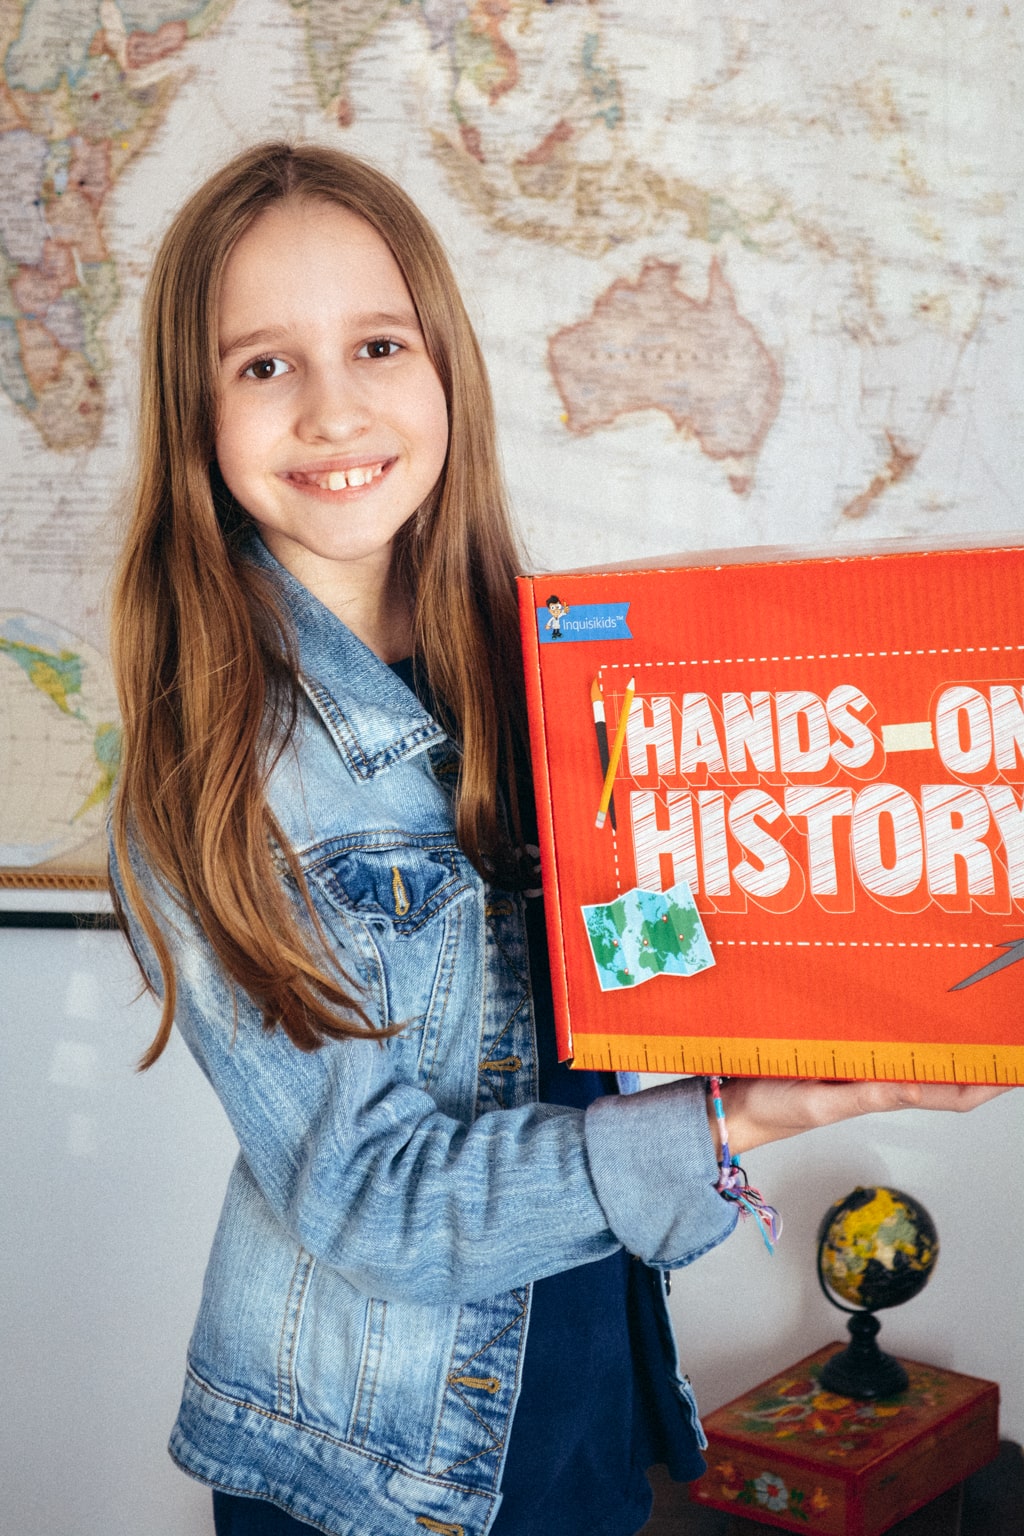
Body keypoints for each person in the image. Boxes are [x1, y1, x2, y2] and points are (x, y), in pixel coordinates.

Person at [107, 141, 1008, 1536]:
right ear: (197, 414)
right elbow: (370, 1199)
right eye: (263, 365)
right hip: (382, 1480)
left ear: (446, 366)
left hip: (591, 1399)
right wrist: (759, 1115)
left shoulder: (557, 684)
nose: (336, 408)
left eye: (378, 342)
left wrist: (866, 957)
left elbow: (622, 993)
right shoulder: (218, 777)